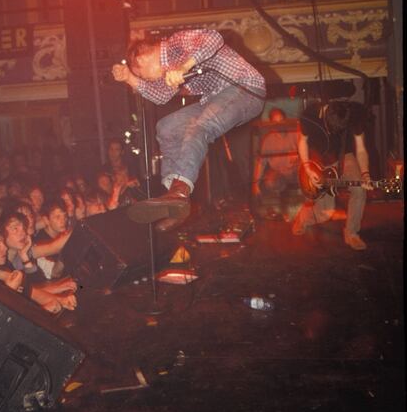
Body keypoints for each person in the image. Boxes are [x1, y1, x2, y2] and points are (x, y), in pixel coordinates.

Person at [112, 28, 266, 231]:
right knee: (167, 127)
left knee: (200, 126)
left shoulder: (176, 43)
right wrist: (130, 79)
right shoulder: (167, 70)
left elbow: (214, 38)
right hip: (216, 97)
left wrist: (184, 67)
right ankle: (174, 203)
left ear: (142, 58)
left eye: (141, 75)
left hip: (245, 88)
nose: (146, 80)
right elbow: (161, 96)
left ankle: (180, 191)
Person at [291, 99, 374, 250]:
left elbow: (361, 149)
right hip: (320, 158)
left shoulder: (356, 115)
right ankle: (303, 217)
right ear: (325, 113)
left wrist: (365, 174)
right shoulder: (309, 115)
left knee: (359, 190)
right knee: (325, 213)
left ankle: (352, 233)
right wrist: (308, 168)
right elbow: (302, 141)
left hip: (345, 156)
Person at [252, 107, 299, 199]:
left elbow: (307, 154)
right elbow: (261, 164)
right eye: (276, 122)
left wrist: (298, 156)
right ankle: (280, 200)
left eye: (281, 120)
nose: (279, 124)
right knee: (270, 181)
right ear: (271, 123)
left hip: (295, 173)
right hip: (278, 175)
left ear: (285, 120)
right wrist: (255, 184)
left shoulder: (295, 134)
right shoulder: (268, 140)